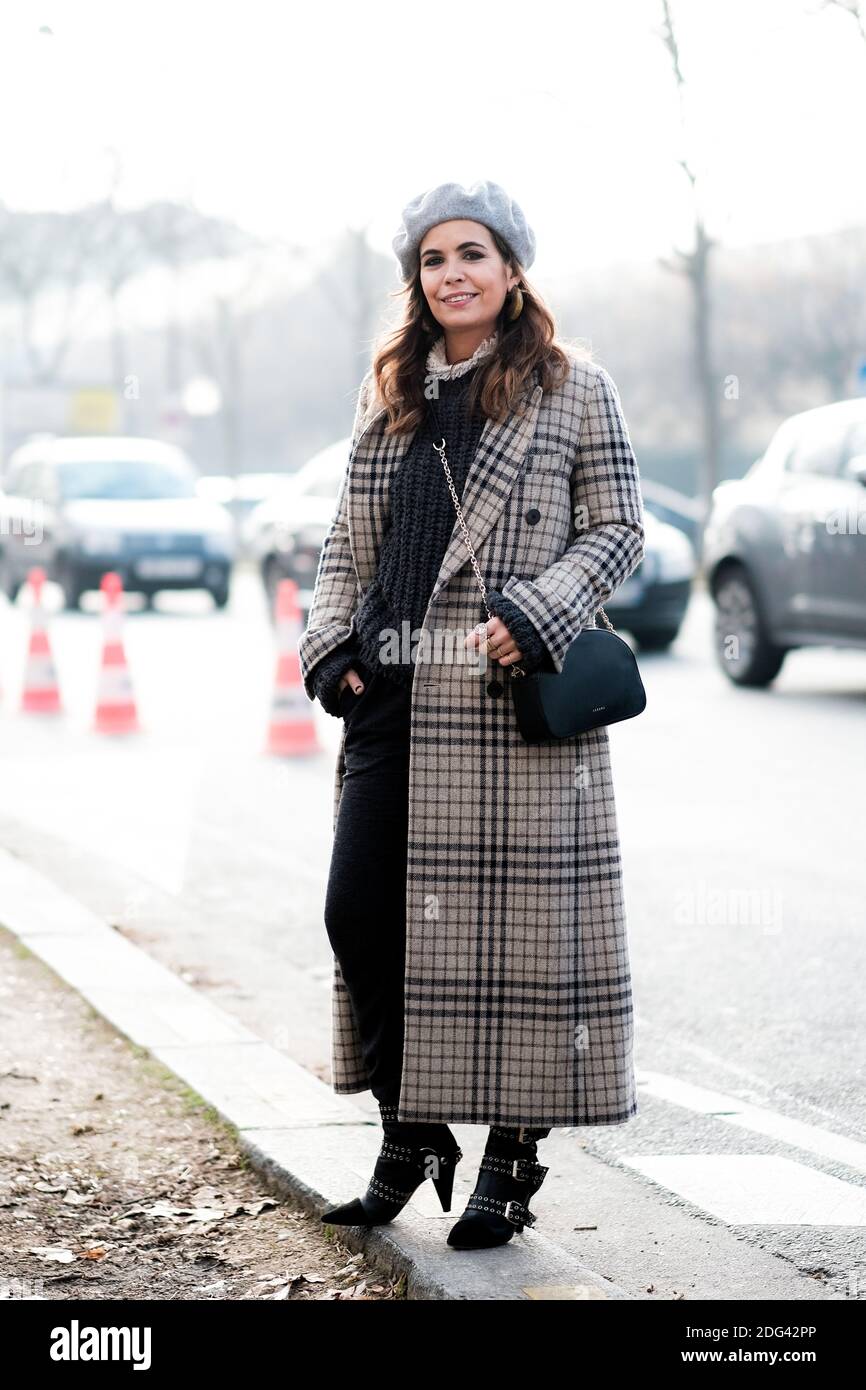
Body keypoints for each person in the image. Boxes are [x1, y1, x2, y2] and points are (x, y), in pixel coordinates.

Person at [298, 179, 645, 1250]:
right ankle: (413, 1130)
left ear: (510, 270)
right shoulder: (391, 390)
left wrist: (536, 613)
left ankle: (510, 1154)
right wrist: (330, 650)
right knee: (359, 917)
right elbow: (345, 545)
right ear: (417, 277)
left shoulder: (572, 390)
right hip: (391, 700)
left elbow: (619, 528)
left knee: (515, 949)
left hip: (506, 711)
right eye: (433, 258)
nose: (451, 273)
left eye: (473, 254)